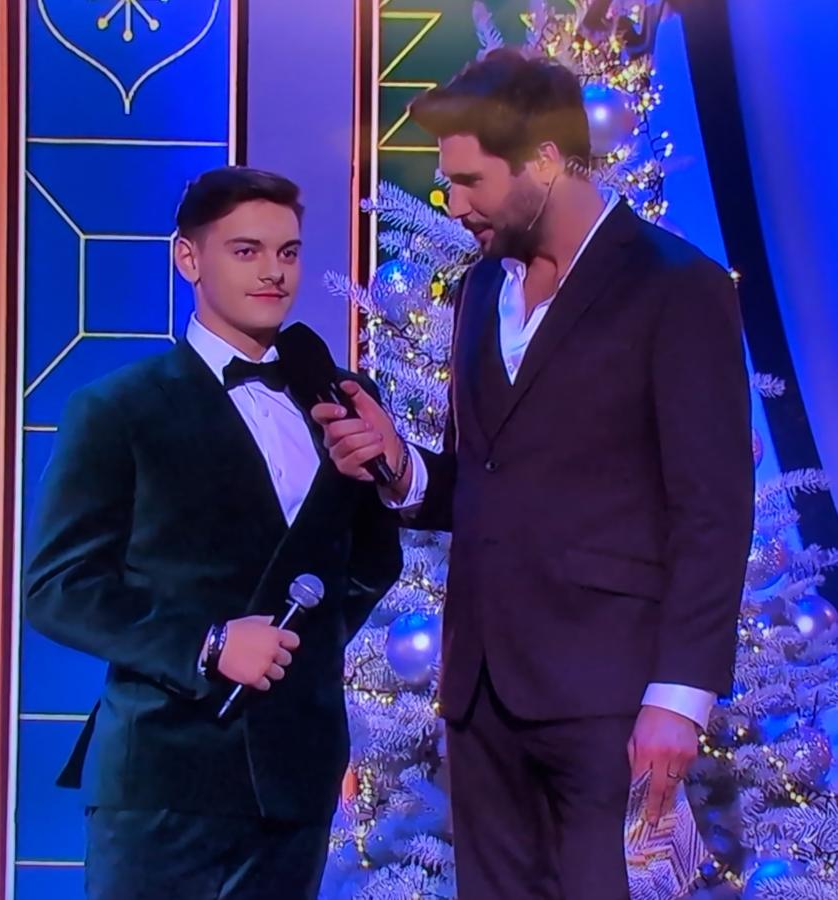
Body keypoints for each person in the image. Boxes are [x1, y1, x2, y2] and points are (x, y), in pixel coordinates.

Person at [312, 50, 754, 900]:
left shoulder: (677, 287)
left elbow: (714, 506)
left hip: (612, 699)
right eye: (448, 184)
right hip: (481, 695)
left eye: (470, 181)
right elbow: (487, 480)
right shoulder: (480, 289)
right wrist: (400, 465)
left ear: (546, 160)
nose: (455, 204)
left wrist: (680, 698)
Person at [24, 167, 402, 900]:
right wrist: (210, 643)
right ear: (188, 258)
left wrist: (301, 646)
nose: (273, 272)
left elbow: (366, 562)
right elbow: (57, 589)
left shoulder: (342, 399)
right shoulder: (119, 408)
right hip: (165, 774)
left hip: (296, 776)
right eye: (246, 251)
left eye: (288, 252)